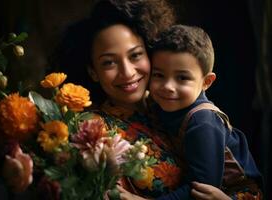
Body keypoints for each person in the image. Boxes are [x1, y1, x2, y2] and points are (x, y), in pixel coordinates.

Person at [52, 0, 235, 199]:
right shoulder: (92, 130)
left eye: (136, 55)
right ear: (93, 72)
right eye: (109, 62)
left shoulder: (172, 106)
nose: (127, 72)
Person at [144, 24, 262, 199]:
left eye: (182, 78)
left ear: (207, 82)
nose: (168, 87)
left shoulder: (203, 121)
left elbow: (202, 189)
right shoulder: (160, 104)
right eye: (159, 75)